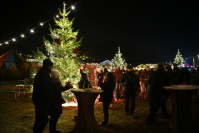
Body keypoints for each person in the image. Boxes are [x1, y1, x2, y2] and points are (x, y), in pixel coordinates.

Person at [32, 59, 54, 133]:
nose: (52, 68)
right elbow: (45, 88)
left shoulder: (42, 72)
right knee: (43, 120)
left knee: (39, 118)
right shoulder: (44, 74)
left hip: (39, 99)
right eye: (51, 66)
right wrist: (48, 98)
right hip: (42, 100)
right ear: (48, 66)